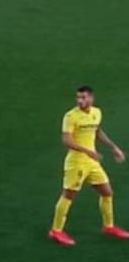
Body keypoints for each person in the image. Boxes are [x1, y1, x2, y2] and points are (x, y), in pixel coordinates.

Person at [48, 86, 129, 245]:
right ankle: (56, 231)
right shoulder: (71, 116)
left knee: (107, 192)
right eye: (78, 97)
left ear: (92, 98)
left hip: (92, 162)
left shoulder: (96, 113)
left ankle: (108, 227)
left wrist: (113, 148)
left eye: (84, 97)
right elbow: (66, 140)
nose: (80, 100)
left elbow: (97, 132)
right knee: (69, 195)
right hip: (76, 162)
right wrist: (88, 151)